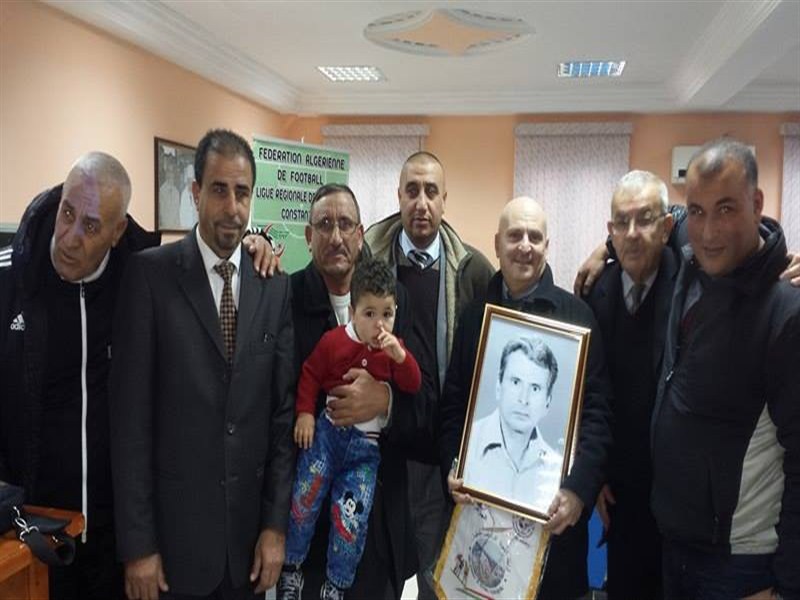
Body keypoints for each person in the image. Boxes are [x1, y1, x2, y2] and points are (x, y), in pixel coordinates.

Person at [109, 129, 296, 600]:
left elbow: (281, 418)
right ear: (195, 193)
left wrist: (276, 526)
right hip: (172, 552)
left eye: (242, 192)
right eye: (218, 190)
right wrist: (138, 546)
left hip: (248, 552)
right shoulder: (150, 276)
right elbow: (129, 425)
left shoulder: (274, 286)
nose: (232, 207)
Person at [0, 152, 159, 600]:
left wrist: (254, 247)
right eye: (67, 213)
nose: (69, 238)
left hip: (115, 541)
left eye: (90, 226)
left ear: (117, 232)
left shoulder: (143, 278)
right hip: (31, 536)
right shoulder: (11, 277)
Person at [439, 196, 613, 600]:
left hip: (554, 532)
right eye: (515, 235)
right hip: (479, 527)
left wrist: (578, 490)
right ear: (497, 243)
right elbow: (453, 407)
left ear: (547, 246)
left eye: (535, 237)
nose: (525, 246)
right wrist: (453, 464)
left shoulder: (577, 318)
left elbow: (599, 415)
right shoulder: (475, 317)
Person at [650, 139, 800, 598]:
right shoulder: (692, 263)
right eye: (697, 211)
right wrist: (606, 250)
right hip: (676, 544)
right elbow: (658, 221)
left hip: (740, 565)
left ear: (757, 204)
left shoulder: (785, 315)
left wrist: (787, 588)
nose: (709, 230)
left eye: (726, 209)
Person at [290, 183, 433, 600]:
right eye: (324, 224)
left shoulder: (395, 298)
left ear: (360, 233)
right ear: (308, 235)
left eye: (345, 224)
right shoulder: (286, 297)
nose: (335, 236)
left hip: (376, 519)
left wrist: (385, 402)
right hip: (310, 521)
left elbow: (424, 401)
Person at [365, 151, 494, 598]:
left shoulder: (474, 270)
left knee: (436, 580)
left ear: (444, 200)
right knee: (376, 576)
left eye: (431, 192)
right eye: (412, 190)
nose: (421, 203)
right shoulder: (368, 258)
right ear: (398, 196)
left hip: (440, 459)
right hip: (379, 452)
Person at [583, 170, 677, 599]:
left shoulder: (691, 284)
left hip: (679, 491)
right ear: (610, 231)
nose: (633, 233)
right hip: (619, 490)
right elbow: (587, 395)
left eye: (645, 219)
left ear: (667, 226)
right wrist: (596, 473)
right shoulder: (593, 292)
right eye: (622, 222)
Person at [462, 336, 563, 510]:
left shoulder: (556, 468)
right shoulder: (466, 446)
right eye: (516, 382)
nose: (523, 399)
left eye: (535, 388)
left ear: (547, 402)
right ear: (498, 387)